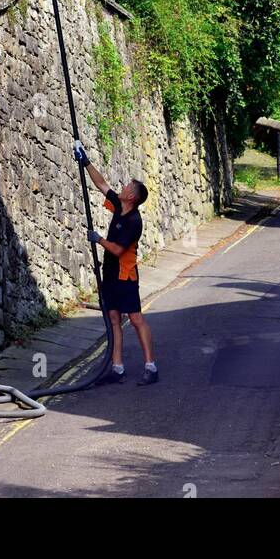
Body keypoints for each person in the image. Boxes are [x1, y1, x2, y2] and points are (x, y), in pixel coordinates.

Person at [74, 140, 158, 386]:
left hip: (125, 276)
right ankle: (117, 368)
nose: (122, 187)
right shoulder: (119, 206)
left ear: (131, 196)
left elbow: (119, 250)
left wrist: (98, 238)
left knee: (135, 319)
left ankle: (151, 366)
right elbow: (102, 184)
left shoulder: (133, 221)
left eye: (126, 186)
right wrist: (85, 160)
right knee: (113, 318)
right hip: (110, 273)